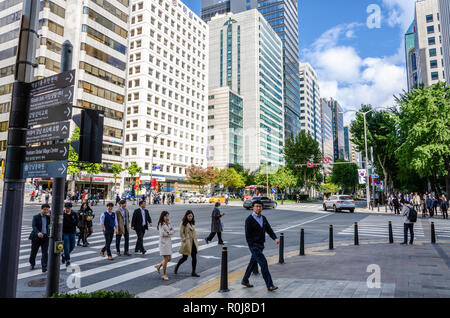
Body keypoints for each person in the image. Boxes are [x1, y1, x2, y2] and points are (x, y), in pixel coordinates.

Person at [241, 199, 279, 291]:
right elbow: (248, 235)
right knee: (263, 263)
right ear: (253, 208)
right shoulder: (249, 220)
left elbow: (269, 229)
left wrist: (275, 238)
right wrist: (252, 246)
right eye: (256, 206)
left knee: (252, 263)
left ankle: (245, 280)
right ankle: (270, 285)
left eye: (260, 206)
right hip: (254, 246)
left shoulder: (263, 218)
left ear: (262, 208)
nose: (258, 208)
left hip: (261, 245)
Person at [175, 210, 200, 277]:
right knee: (184, 258)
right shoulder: (184, 223)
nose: (190, 217)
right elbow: (181, 232)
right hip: (187, 242)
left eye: (191, 216)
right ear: (186, 216)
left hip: (193, 242)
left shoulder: (192, 222)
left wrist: (196, 240)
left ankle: (193, 272)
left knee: (194, 257)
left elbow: (194, 232)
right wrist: (184, 240)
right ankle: (177, 266)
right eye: (189, 216)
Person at [29, 204, 51, 272]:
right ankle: (32, 263)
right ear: (41, 209)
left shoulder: (48, 218)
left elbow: (50, 226)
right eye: (44, 209)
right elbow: (34, 226)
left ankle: (44, 266)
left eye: (47, 210)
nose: (46, 211)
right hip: (36, 237)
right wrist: (38, 233)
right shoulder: (36, 217)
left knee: (45, 252)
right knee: (34, 251)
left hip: (45, 237)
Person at [154, 211, 174, 280]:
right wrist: (169, 232)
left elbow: (173, 231)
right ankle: (164, 274)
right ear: (163, 216)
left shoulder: (168, 223)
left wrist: (168, 232)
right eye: (166, 216)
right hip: (163, 244)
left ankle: (159, 266)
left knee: (169, 259)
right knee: (166, 259)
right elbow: (162, 234)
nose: (167, 217)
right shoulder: (161, 224)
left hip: (168, 243)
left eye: (168, 216)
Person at [62, 202, 78, 266]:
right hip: (64, 232)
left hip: (72, 232)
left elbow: (77, 222)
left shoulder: (74, 214)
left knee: (73, 246)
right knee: (66, 247)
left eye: (68, 208)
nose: (67, 209)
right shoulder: (62, 214)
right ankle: (67, 260)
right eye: (66, 208)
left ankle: (64, 255)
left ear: (71, 208)